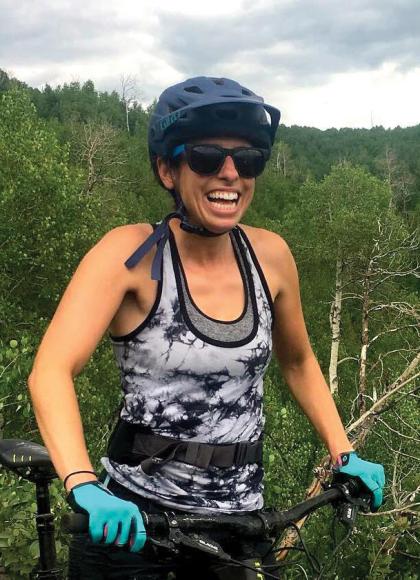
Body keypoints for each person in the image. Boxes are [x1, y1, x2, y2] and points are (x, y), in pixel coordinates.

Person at [28, 76, 385, 579]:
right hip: (135, 528)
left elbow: (299, 361)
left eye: (248, 160)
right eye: (206, 157)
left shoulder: (271, 257)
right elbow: (51, 370)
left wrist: (342, 450)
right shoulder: (129, 256)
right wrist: (82, 482)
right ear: (167, 169)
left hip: (241, 528)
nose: (230, 174)